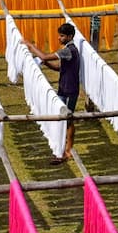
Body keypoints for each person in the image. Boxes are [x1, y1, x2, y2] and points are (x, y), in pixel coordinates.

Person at [21, 22, 80, 165]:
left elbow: (46, 56)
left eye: (62, 36)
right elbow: (58, 68)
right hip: (63, 88)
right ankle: (62, 149)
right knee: (62, 120)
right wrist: (43, 63)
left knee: (67, 120)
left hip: (70, 90)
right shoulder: (68, 50)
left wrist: (31, 46)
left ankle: (68, 150)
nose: (59, 38)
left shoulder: (69, 50)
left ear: (69, 36)